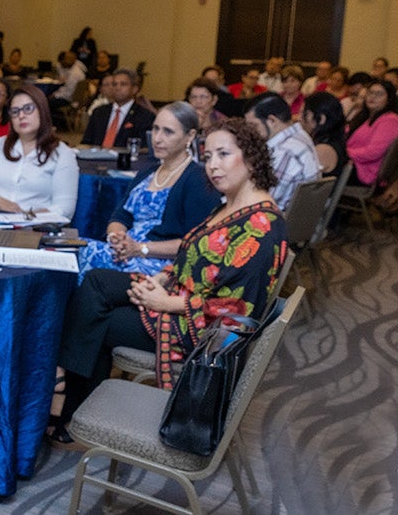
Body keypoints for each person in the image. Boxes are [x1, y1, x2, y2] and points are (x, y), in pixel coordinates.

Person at [51, 117, 287, 443]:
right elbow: (192, 254)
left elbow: (236, 310)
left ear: (250, 156)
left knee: (95, 321)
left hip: (198, 330)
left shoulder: (261, 225)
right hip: (178, 294)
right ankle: (66, 389)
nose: (213, 166)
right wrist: (161, 279)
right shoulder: (232, 204)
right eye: (207, 157)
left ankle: (68, 406)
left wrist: (165, 302)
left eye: (223, 154)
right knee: (96, 281)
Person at [76, 101, 220, 280]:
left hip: (159, 263)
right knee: (76, 249)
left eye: (168, 131)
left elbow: (197, 242)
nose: (157, 138)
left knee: (85, 258)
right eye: (156, 129)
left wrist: (140, 248)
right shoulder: (148, 171)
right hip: (127, 251)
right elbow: (120, 217)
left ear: (190, 136)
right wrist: (117, 237)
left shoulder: (198, 179)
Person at [0, 85, 79, 220]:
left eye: (28, 109)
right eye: (15, 111)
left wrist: (24, 217)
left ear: (42, 111)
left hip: (36, 229)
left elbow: (64, 210)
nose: (21, 116)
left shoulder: (62, 154)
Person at [244, 93, 321, 210]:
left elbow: (264, 202)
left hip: (276, 219)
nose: (251, 131)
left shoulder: (285, 151)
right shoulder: (301, 135)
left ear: (272, 121)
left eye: (253, 125)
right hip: (300, 218)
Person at [346, 80, 398, 188]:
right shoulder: (366, 116)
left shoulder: (390, 120)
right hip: (354, 163)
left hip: (366, 171)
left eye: (379, 94)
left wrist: (344, 153)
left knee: (324, 167)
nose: (372, 97)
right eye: (370, 92)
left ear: (389, 99)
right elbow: (346, 132)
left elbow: (373, 152)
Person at [81, 69, 154, 148]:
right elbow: (86, 142)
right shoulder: (99, 112)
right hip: (95, 158)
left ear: (134, 89)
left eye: (123, 84)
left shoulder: (145, 116)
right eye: (114, 84)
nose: (117, 88)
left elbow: (144, 148)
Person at [301, 91, 348, 179]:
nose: (300, 119)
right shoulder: (334, 140)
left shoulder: (323, 150)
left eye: (304, 114)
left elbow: (300, 178)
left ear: (321, 119)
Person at [48, 51, 87, 122]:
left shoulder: (75, 74)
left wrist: (54, 95)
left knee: (45, 102)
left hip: (69, 99)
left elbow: (68, 92)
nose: (61, 64)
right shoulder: (76, 68)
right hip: (69, 96)